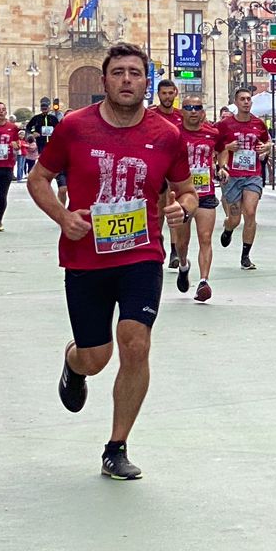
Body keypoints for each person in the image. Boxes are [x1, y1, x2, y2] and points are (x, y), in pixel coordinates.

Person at [27, 43, 196, 482]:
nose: (126, 80)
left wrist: (184, 207)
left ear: (147, 81)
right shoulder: (73, 128)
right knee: (96, 356)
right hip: (86, 255)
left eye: (135, 73)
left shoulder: (167, 135)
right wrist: (63, 217)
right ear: (104, 81)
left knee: (135, 342)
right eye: (118, 72)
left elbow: (187, 189)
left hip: (142, 253)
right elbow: (39, 178)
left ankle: (116, 446)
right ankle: (73, 362)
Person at [215, 86, 269, 271]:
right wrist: (228, 147)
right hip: (232, 176)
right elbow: (215, 148)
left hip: (253, 174)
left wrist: (266, 148)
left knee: (251, 213)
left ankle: (246, 256)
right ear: (236, 102)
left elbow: (267, 142)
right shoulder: (224, 125)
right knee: (235, 218)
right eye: (243, 99)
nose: (246, 102)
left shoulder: (259, 124)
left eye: (248, 99)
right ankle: (228, 228)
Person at [171, 98, 220, 301]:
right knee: (182, 242)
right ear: (182, 111)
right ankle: (183, 264)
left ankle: (203, 281)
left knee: (206, 237)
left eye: (197, 108)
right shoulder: (173, 133)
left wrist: (222, 166)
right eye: (188, 108)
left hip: (206, 192)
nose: (193, 111)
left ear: (202, 112)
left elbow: (222, 150)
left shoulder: (213, 133)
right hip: (182, 195)